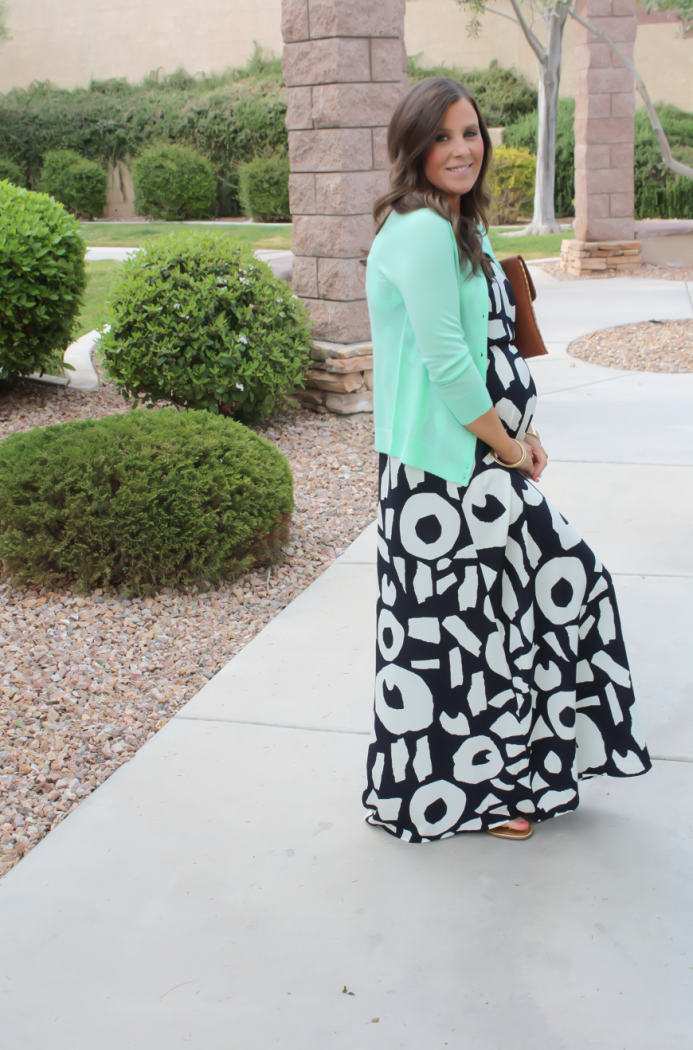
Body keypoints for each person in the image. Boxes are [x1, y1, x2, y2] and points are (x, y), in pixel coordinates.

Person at [362, 77, 650, 842]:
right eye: (442, 137)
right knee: (473, 633)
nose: (461, 149)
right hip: (442, 476)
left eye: (470, 133)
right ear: (413, 147)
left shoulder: (461, 223)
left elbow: (493, 351)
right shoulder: (420, 229)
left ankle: (510, 779)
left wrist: (523, 435)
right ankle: (484, 794)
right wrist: (507, 444)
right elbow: (449, 364)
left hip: (480, 461)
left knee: (498, 623)